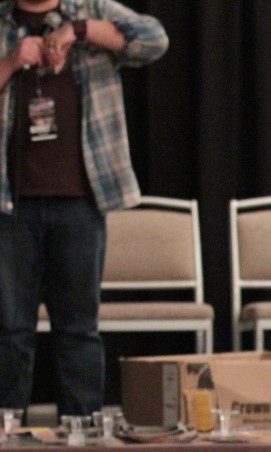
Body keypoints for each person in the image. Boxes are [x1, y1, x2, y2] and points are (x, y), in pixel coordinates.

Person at [0, 0, 167, 418]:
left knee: (77, 331)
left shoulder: (92, 8)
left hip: (79, 202)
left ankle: (83, 436)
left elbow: (154, 40)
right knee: (10, 331)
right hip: (10, 206)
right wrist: (10, 62)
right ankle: (5, 437)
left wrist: (78, 30)